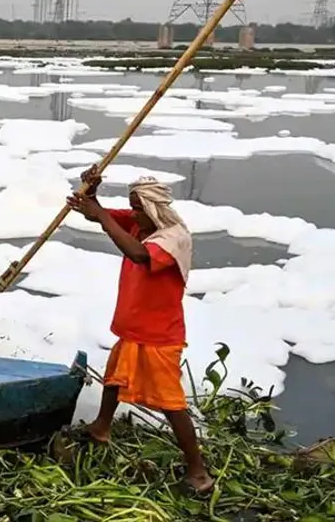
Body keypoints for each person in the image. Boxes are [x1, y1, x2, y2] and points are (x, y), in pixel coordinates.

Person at [64, 165, 214, 493]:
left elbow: (138, 254)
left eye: (136, 208)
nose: (131, 213)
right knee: (115, 378)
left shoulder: (172, 237)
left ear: (150, 209)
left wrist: (101, 215)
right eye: (131, 207)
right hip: (135, 327)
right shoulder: (139, 223)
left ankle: (199, 473)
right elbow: (96, 213)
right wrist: (91, 189)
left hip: (159, 334)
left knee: (171, 404)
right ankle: (101, 428)